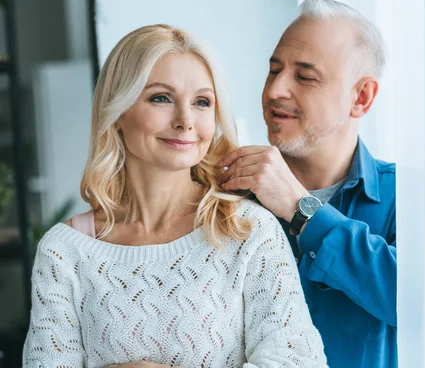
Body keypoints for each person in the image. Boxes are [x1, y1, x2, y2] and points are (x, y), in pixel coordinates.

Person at [22, 24, 327, 368]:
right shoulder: (64, 251)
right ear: (118, 112)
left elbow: (299, 362)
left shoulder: (249, 232)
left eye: (201, 102)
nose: (185, 120)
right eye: (161, 98)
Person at [219, 0, 397, 367]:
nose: (274, 91)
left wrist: (303, 213)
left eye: (304, 76)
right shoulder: (228, 198)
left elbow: (422, 304)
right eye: (273, 70)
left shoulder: (408, 199)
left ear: (361, 97)